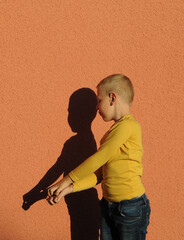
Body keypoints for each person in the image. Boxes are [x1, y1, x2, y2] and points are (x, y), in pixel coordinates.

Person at [47, 74, 151, 240]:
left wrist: (65, 180)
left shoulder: (129, 126)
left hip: (130, 208)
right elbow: (100, 174)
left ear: (112, 98)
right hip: (109, 206)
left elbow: (99, 158)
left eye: (99, 100)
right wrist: (68, 189)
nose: (96, 107)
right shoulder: (111, 134)